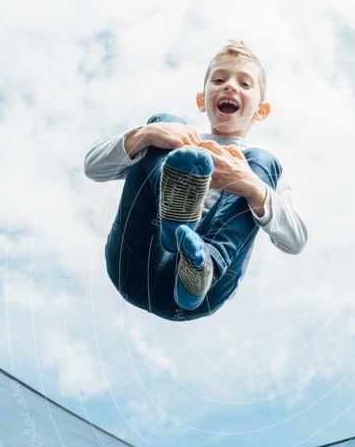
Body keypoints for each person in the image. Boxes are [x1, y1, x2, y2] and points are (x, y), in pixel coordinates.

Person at [84, 40, 307, 321]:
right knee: (166, 122)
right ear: (202, 101)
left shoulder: (258, 167)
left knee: (264, 161)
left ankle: (202, 261)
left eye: (245, 84)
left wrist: (251, 187)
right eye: (219, 79)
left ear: (261, 111)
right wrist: (147, 134)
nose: (230, 87)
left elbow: (295, 241)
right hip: (136, 260)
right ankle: (173, 225)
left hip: (201, 291)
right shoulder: (176, 138)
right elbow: (93, 167)